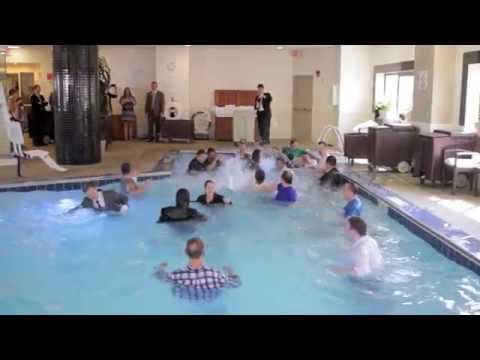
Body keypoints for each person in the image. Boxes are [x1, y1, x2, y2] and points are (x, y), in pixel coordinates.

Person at [153, 237, 241, 295]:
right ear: (203, 252)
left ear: (186, 252)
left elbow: (159, 276)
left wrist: (161, 268)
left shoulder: (176, 275)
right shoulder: (216, 275)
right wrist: (230, 272)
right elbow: (236, 284)